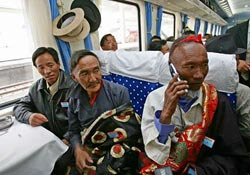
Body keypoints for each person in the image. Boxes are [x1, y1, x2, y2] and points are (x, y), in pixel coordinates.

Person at [140, 35, 249, 174]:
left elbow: (233, 157)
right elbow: (156, 155)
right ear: (172, 69)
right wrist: (165, 116)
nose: (199, 74)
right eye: (190, 67)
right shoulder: (155, 99)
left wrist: (198, 171)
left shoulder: (217, 102)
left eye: (204, 65)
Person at [68, 50, 135, 174]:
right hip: (84, 146)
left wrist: (97, 142)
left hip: (113, 146)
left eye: (96, 70)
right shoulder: (73, 98)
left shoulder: (119, 93)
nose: (93, 79)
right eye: (84, 73)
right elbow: (73, 130)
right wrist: (78, 150)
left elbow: (127, 132)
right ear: (74, 78)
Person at [13, 47, 77, 175]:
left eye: (50, 65)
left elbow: (83, 119)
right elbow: (19, 106)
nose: (47, 71)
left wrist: (66, 139)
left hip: (71, 140)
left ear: (58, 64)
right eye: (41, 67)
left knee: (57, 166)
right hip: (47, 140)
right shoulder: (36, 88)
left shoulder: (74, 87)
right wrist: (29, 116)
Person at [205, 33, 250, 151]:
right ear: (234, 61)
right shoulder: (243, 92)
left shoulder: (194, 87)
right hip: (231, 148)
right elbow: (246, 130)